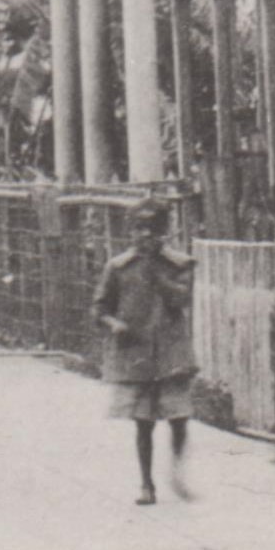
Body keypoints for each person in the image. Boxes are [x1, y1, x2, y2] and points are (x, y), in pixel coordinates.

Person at [94, 195, 201, 505]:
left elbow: (181, 299)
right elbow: (99, 307)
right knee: (144, 423)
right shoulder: (118, 267)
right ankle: (146, 484)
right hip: (137, 353)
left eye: (153, 229)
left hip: (172, 353)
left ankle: (178, 472)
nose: (146, 236)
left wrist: (157, 276)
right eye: (139, 229)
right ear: (130, 231)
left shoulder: (180, 264)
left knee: (179, 417)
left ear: (164, 231)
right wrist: (114, 324)